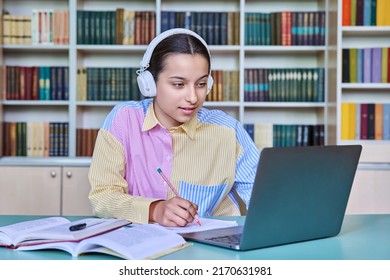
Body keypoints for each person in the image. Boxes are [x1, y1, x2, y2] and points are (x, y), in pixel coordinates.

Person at [88, 28, 260, 227]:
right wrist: (155, 209)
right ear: (149, 84)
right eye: (179, 84)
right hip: (142, 249)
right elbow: (102, 197)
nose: (193, 97)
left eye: (201, 84)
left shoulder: (228, 131)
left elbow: (265, 198)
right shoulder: (123, 120)